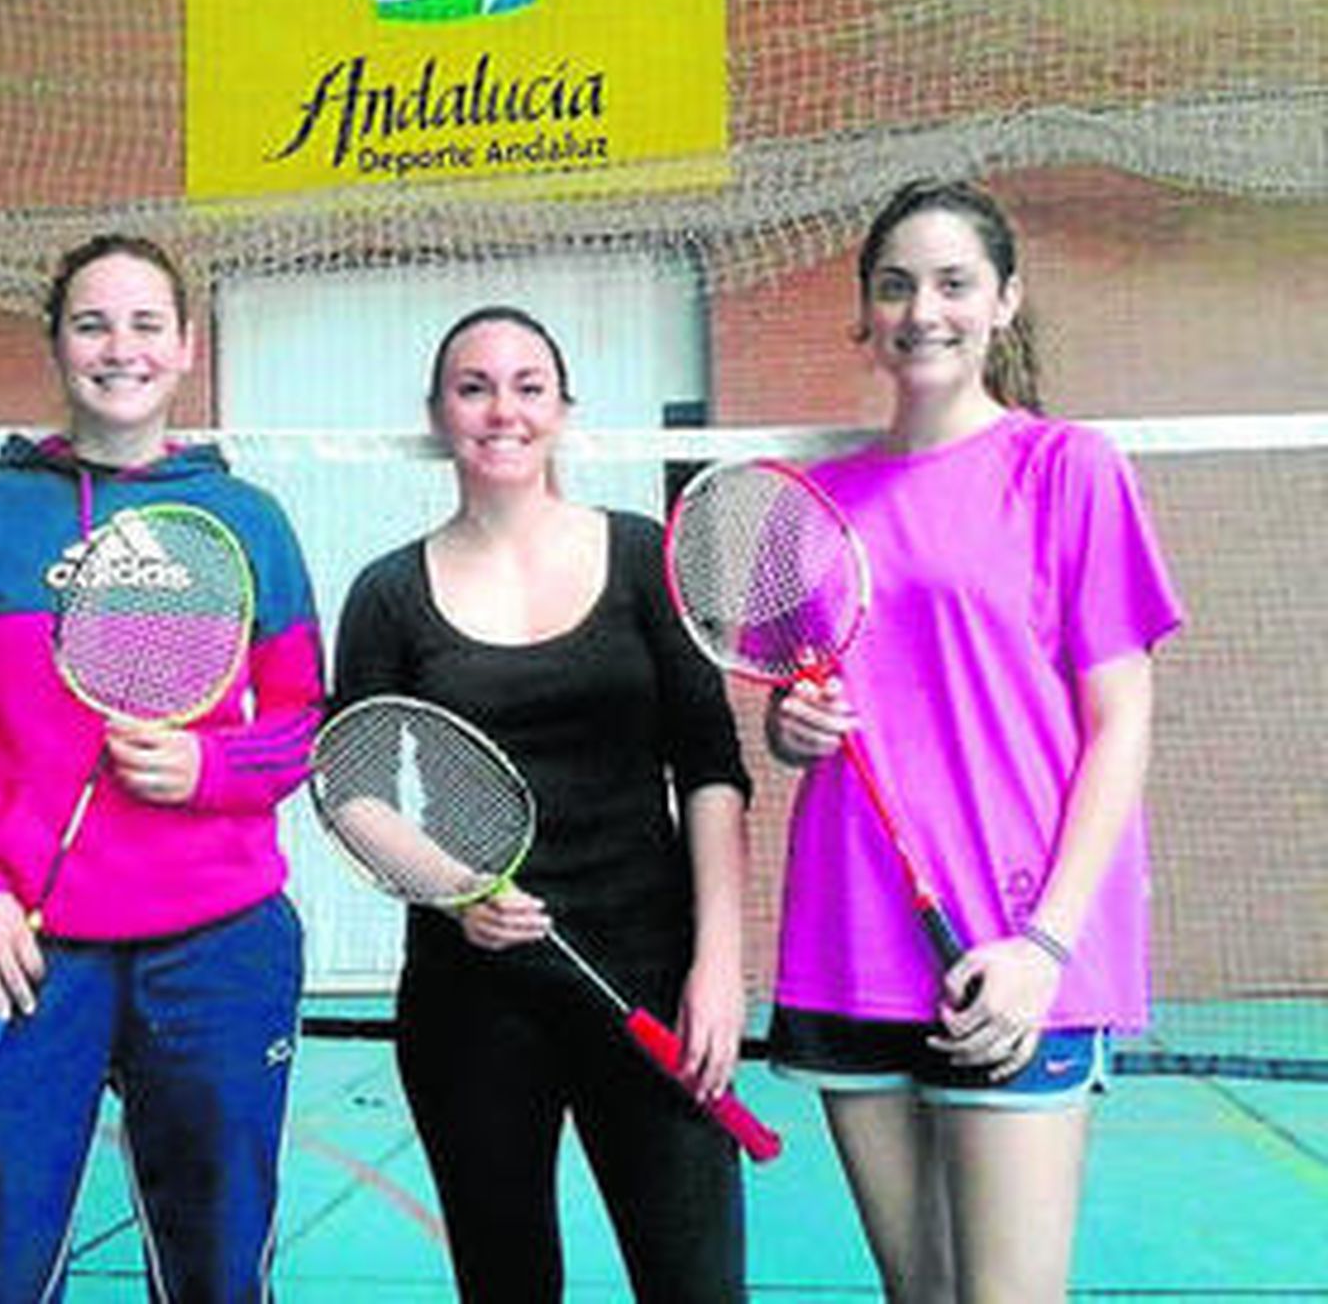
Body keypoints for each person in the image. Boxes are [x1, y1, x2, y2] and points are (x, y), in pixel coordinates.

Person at [0, 234, 323, 1303]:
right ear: (57, 343)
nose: (120, 348)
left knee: (220, 1275)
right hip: (12, 959)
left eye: (145, 323)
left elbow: (304, 720)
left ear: (186, 346)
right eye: (92, 323)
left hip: (218, 955)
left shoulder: (249, 522)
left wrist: (209, 766)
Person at [764, 179, 1183, 1302]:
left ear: (1004, 302)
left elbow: (1120, 720)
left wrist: (1045, 946)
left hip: (1011, 946)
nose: (922, 310)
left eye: (953, 283)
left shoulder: (1066, 470)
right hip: (850, 938)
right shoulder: (816, 497)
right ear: (864, 313)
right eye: (895, 287)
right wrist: (791, 726)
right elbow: (811, 709)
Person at [332, 306, 754, 1303]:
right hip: (470, 1000)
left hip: (650, 979)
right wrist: (452, 888)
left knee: (696, 1286)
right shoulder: (387, 592)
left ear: (563, 408)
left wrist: (721, 969)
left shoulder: (647, 558)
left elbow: (710, 769)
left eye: (527, 386)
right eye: (472, 388)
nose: (501, 410)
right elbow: (347, 785)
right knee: (506, 1283)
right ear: (438, 414)